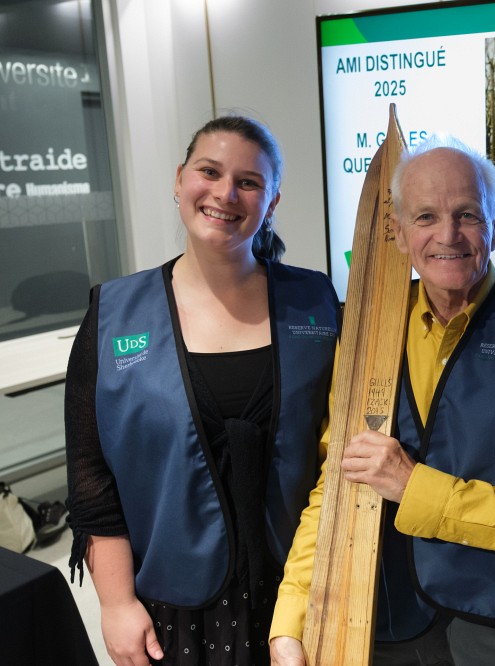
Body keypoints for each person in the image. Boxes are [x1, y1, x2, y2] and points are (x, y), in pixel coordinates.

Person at [269, 136, 495, 666]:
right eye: (426, 217)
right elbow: (338, 481)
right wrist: (292, 615)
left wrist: (416, 488)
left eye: (467, 215)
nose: (447, 235)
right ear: (398, 232)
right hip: (381, 620)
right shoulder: (368, 330)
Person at [65, 115, 339, 666]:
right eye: (209, 172)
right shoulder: (114, 315)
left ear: (272, 200)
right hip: (174, 610)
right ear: (179, 180)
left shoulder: (316, 303)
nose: (225, 193)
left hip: (301, 599)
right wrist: (116, 604)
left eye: (248, 181)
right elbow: (91, 473)